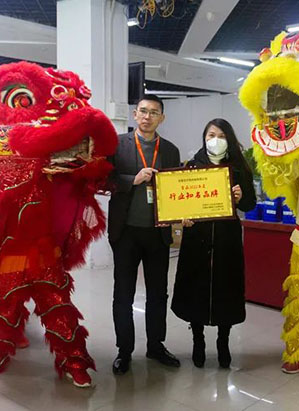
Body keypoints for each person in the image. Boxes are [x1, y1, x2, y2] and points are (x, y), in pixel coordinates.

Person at [171, 118, 256, 368]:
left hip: (226, 238)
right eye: (211, 135)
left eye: (221, 135)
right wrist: (182, 216)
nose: (215, 140)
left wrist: (241, 197)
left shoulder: (239, 168)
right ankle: (197, 340)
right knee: (195, 287)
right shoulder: (192, 167)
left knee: (226, 288)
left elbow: (250, 204)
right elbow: (180, 201)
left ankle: (223, 341)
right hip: (196, 238)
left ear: (229, 139)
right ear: (204, 138)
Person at [108, 94, 181, 375]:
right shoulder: (117, 145)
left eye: (154, 112)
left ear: (161, 118)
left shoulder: (170, 150)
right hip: (126, 231)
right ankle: (124, 350)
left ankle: (156, 346)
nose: (147, 116)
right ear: (135, 114)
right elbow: (105, 179)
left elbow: (176, 188)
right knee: (123, 294)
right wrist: (133, 179)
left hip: (157, 233)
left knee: (158, 294)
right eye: (143, 111)